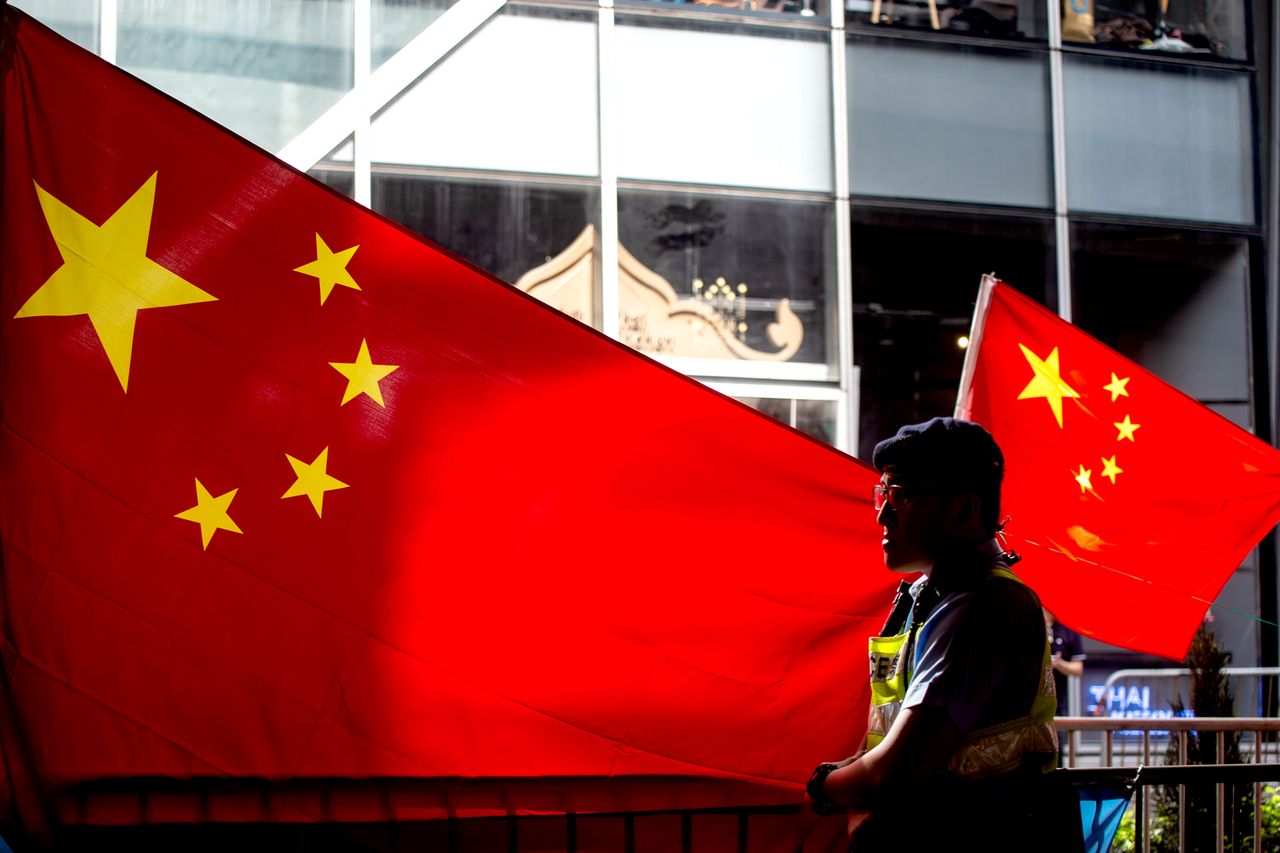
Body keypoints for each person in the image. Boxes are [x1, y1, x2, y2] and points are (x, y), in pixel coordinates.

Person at [804, 417, 1083, 852]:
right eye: (882, 492)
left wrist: (824, 787)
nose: (882, 512)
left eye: (901, 494)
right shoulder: (925, 596)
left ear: (964, 510)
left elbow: (894, 771)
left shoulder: (983, 604)